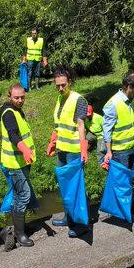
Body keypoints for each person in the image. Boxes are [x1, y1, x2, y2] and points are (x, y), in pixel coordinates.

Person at [46, 67, 89, 237]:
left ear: (70, 82)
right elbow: (58, 124)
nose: (61, 88)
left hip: (73, 151)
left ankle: (81, 224)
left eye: (63, 85)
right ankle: (68, 216)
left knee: (76, 188)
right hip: (61, 150)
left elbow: (80, 126)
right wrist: (52, 141)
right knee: (65, 186)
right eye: (58, 85)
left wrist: (83, 149)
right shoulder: (59, 98)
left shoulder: (78, 100)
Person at [102, 72, 134, 217]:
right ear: (130, 87)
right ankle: (125, 210)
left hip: (133, 148)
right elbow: (107, 131)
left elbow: (124, 122)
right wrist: (109, 151)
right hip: (120, 151)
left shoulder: (128, 100)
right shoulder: (113, 104)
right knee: (123, 182)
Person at [0, 83, 38, 247]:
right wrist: (25, 150)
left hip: (21, 162)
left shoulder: (15, 110)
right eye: (16, 97)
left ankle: (13, 228)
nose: (20, 100)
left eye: (22, 97)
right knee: (24, 195)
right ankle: (20, 234)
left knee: (18, 194)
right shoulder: (8, 114)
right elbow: (13, 134)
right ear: (9, 97)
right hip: (15, 164)